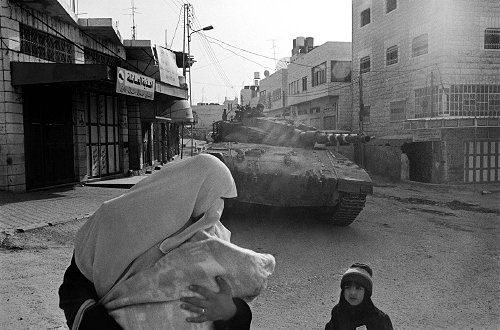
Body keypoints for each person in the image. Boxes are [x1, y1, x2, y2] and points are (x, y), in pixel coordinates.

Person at [59, 154, 275, 330]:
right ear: (193, 188)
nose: (218, 207)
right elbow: (74, 288)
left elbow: (227, 297)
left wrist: (231, 312)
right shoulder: (115, 217)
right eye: (216, 196)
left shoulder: (211, 232)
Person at [325, 263, 393, 330]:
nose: (352, 292)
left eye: (358, 288)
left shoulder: (379, 320)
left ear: (366, 293)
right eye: (348, 287)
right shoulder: (338, 312)